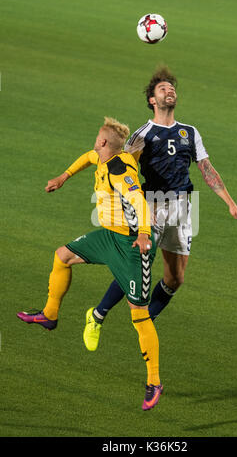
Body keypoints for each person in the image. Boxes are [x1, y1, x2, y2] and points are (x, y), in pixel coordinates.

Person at [82, 65, 237, 349]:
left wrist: (231, 204)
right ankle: (98, 315)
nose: (169, 91)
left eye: (172, 88)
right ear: (152, 99)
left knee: (175, 279)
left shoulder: (189, 132)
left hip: (183, 208)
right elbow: (123, 169)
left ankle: (149, 318)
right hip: (150, 206)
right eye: (163, 88)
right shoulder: (141, 135)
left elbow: (206, 168)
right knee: (137, 268)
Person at [17, 117, 163, 411]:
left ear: (105, 142)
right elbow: (87, 158)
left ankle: (154, 381)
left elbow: (138, 201)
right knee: (62, 256)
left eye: (98, 138)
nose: (95, 142)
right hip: (108, 237)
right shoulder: (104, 156)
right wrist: (63, 177)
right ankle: (50, 314)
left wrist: (145, 234)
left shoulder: (121, 171)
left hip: (132, 246)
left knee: (139, 315)